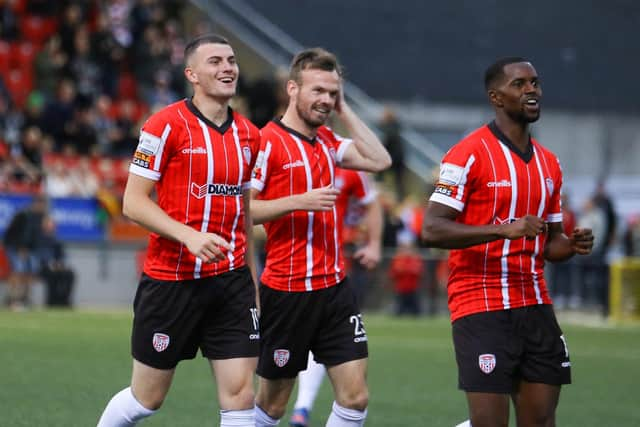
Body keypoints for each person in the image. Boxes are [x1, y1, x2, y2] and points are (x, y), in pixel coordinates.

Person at [96, 34, 261, 427]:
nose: (227, 68)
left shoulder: (250, 135)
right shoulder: (164, 125)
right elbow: (133, 202)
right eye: (215, 62)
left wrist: (252, 282)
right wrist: (188, 235)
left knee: (241, 395)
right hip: (172, 281)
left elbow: (244, 211)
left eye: (232, 60)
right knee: (146, 399)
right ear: (192, 74)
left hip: (231, 282)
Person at [421, 57, 594, 427]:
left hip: (535, 305)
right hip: (480, 305)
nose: (531, 90)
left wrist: (572, 245)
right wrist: (502, 229)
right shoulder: (466, 154)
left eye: (535, 83)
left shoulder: (550, 164)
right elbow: (432, 229)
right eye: (519, 84)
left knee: (541, 421)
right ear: (496, 98)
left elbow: (551, 244)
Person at [250, 47, 391, 427]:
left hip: (335, 289)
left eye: (332, 93)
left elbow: (381, 161)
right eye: (318, 91)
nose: (326, 100)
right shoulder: (266, 142)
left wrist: (346, 111)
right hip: (287, 291)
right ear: (292, 89)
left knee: (356, 397)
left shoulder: (329, 140)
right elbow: (241, 211)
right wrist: (299, 201)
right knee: (273, 404)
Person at [289, 168, 383, 427]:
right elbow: (251, 205)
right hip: (287, 276)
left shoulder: (345, 159)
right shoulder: (279, 146)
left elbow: (377, 172)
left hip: (334, 270)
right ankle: (300, 407)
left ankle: (302, 407)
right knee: (269, 400)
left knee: (354, 396)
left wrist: (374, 242)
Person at [2, 195, 48, 310]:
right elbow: (17, 233)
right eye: (42, 206)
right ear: (36, 204)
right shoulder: (23, 215)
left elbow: (35, 236)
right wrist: (21, 248)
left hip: (30, 249)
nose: (43, 208)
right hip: (15, 247)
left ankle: (25, 298)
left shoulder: (39, 216)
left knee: (30, 273)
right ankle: (12, 299)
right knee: (18, 271)